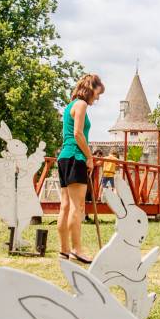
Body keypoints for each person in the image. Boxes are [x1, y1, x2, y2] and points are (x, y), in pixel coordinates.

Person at [56, 73, 104, 263]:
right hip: (76, 157)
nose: (98, 98)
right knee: (78, 206)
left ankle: (64, 250)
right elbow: (78, 134)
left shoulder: (69, 106)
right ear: (90, 88)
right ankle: (77, 250)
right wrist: (90, 157)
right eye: (98, 93)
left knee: (65, 206)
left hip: (64, 157)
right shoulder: (81, 104)